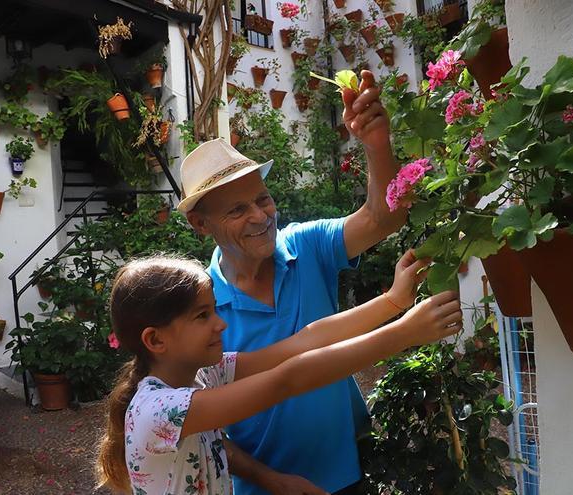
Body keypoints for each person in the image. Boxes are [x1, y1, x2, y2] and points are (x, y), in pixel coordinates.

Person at [178, 71, 406, 494]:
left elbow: (382, 217)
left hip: (346, 476)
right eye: (237, 210)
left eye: (263, 199)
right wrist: (274, 481)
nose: (262, 217)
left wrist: (376, 143)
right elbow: (202, 420)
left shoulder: (307, 245)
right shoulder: (201, 308)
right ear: (200, 224)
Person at [96, 254, 462, 494]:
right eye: (202, 315)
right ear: (155, 339)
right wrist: (403, 334)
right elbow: (288, 378)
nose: (220, 324)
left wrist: (394, 302)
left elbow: (304, 341)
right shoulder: (159, 409)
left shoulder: (204, 377)